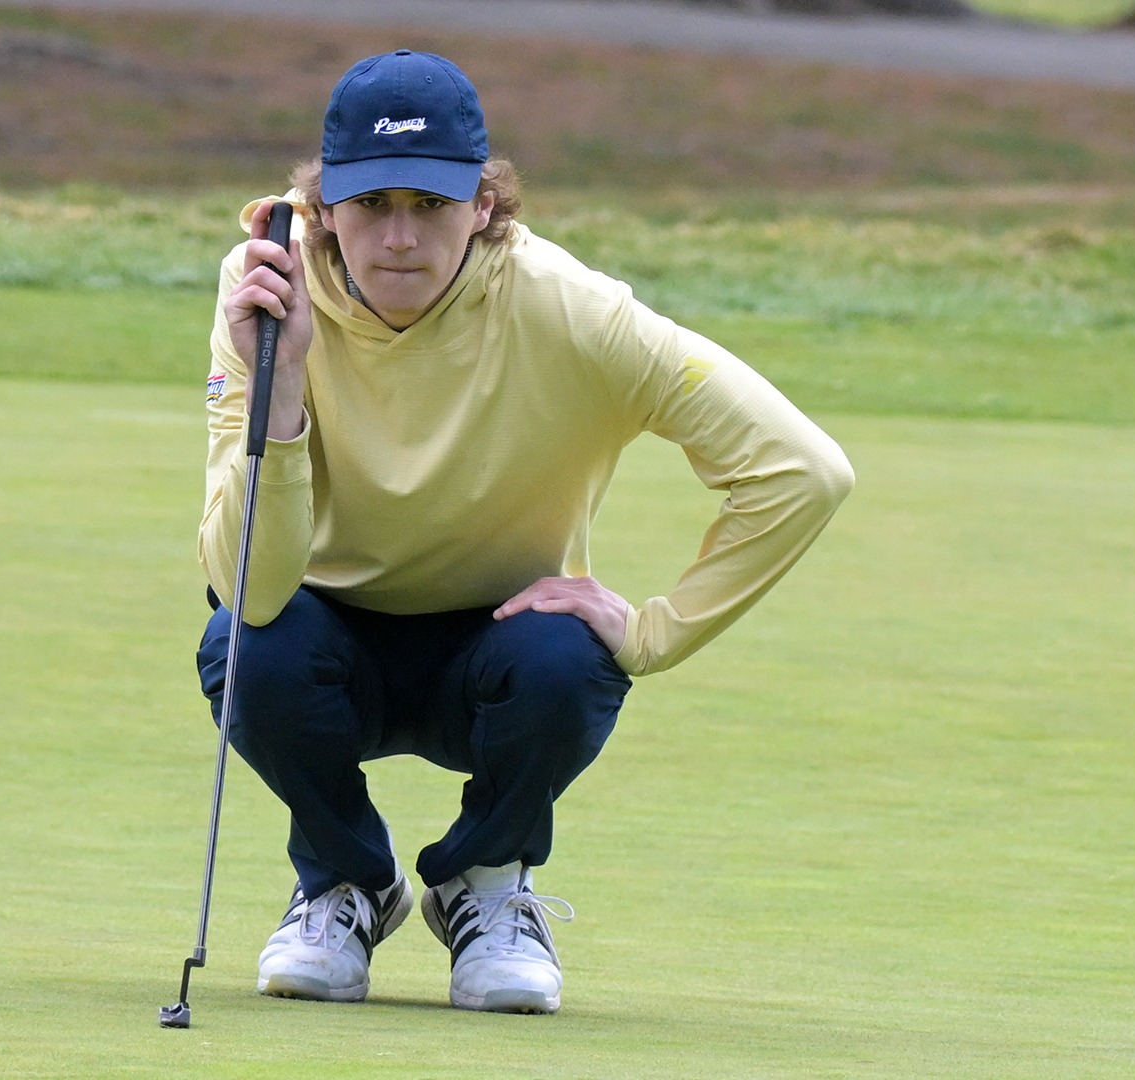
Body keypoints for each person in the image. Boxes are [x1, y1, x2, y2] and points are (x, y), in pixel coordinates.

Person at [197, 49, 853, 1015]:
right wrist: (283, 381)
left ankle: (488, 887)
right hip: (321, 632)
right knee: (247, 643)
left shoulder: (572, 308)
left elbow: (803, 470)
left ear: (486, 208)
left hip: (501, 647)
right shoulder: (267, 297)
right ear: (322, 209)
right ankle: (342, 885)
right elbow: (250, 588)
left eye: (432, 204)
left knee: (568, 655)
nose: (401, 238)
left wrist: (653, 631)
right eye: (373, 204)